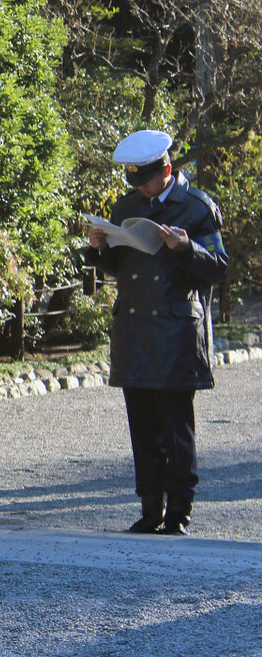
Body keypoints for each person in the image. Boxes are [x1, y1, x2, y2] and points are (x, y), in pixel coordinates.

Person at [84, 129, 228, 536]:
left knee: (174, 427)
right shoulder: (128, 205)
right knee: (142, 426)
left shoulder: (197, 207)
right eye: (135, 181)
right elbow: (123, 268)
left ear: (166, 169)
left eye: (146, 179)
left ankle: (179, 512)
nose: (141, 189)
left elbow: (219, 268)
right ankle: (150, 509)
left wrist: (187, 249)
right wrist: (101, 249)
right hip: (135, 329)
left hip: (177, 330)